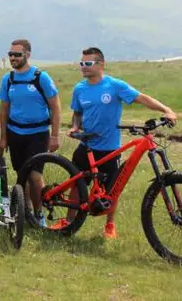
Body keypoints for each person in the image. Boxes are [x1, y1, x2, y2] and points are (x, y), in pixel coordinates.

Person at [60, 47, 177, 238]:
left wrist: (166, 109)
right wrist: (74, 126)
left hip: (110, 147)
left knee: (113, 190)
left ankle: (110, 226)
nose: (83, 67)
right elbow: (78, 112)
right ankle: (69, 221)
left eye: (88, 63)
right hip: (86, 146)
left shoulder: (115, 85)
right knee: (78, 185)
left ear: (101, 64)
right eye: (81, 63)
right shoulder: (79, 89)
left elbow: (142, 98)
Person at [0, 39, 61, 225]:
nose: (13, 58)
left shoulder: (41, 77)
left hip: (38, 134)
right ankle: (25, 213)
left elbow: (55, 107)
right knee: (22, 174)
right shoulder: (8, 79)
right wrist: (3, 138)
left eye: (17, 54)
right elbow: (4, 110)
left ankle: (39, 214)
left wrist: (55, 135)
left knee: (35, 175)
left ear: (27, 55)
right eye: (10, 54)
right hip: (15, 133)